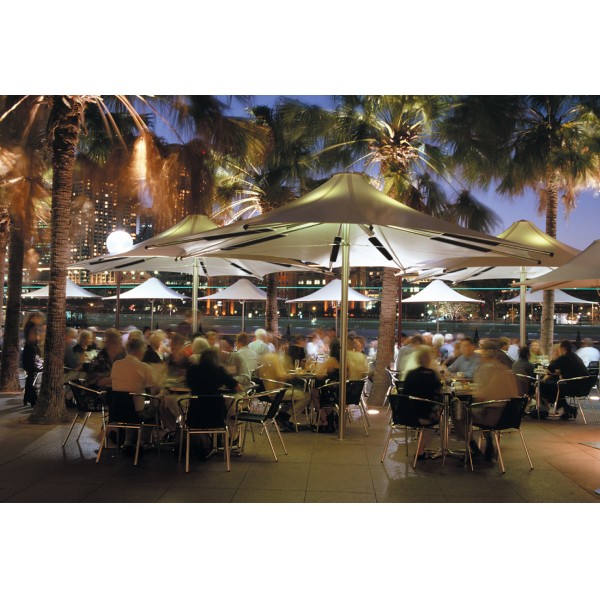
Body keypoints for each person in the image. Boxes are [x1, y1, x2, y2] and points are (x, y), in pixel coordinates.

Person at [469, 339, 520, 461]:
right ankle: (489, 445)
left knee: (460, 415)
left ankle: (474, 448)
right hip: (510, 416)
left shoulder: (484, 369)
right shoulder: (505, 370)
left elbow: (480, 395)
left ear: (484, 353)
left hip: (492, 417)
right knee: (484, 408)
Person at [110, 337, 161, 452]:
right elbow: (155, 384)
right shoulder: (143, 367)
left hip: (116, 410)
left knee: (132, 406)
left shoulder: (116, 364)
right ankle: (142, 442)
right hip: (136, 412)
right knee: (153, 410)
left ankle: (128, 441)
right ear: (139, 351)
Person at [402, 345, 443, 460]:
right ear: (429, 359)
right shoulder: (433, 374)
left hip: (407, 414)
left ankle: (421, 451)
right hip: (424, 415)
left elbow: (405, 393)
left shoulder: (410, 374)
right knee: (438, 421)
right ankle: (421, 451)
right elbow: (438, 394)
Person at [541, 339, 589, 419]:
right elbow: (570, 370)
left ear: (563, 348)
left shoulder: (564, 358)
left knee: (546, 386)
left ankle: (567, 408)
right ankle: (568, 410)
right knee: (556, 386)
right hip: (584, 386)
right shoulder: (575, 356)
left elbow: (549, 369)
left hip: (573, 387)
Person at [22, 322, 43, 407]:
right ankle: (33, 399)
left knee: (30, 380)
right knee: (31, 380)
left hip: (30, 364)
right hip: (31, 364)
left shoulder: (30, 342)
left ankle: (28, 398)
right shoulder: (30, 342)